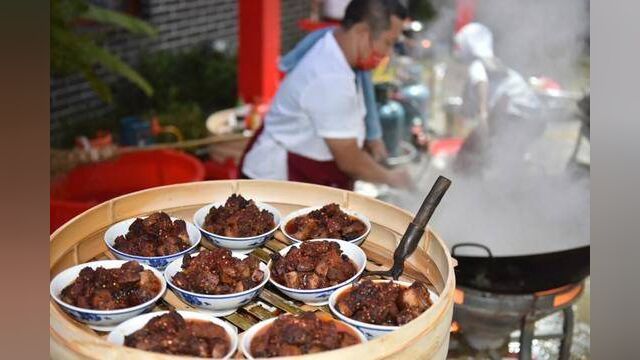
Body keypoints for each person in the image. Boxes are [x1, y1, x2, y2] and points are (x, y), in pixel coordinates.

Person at [241, 0, 412, 190]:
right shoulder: (329, 77)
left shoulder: (337, 46)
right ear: (362, 32)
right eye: (388, 43)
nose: (388, 53)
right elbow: (349, 160)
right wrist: (392, 178)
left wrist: (372, 138)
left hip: (307, 169)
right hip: (277, 181)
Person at [452, 22, 543, 174]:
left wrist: (482, 114)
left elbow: (481, 82)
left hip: (515, 117)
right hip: (533, 118)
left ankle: (476, 187)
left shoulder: (477, 65)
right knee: (500, 158)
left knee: (471, 155)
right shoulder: (495, 63)